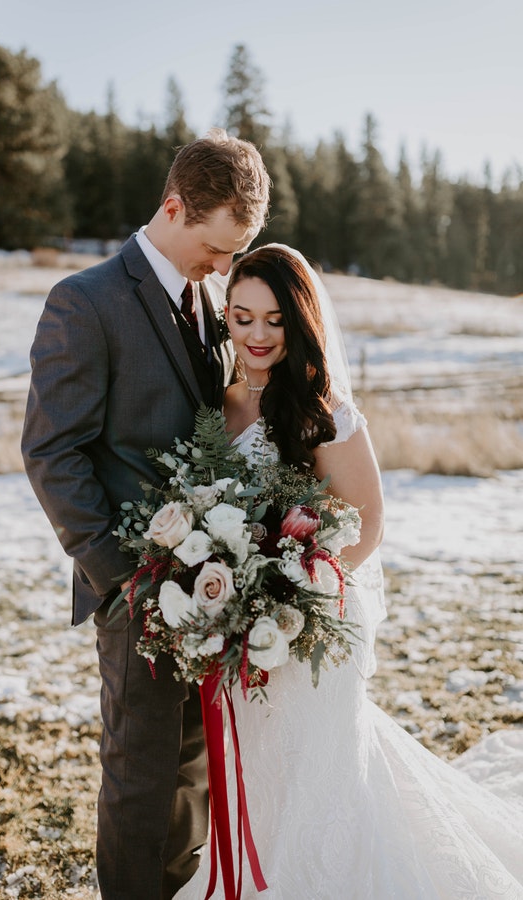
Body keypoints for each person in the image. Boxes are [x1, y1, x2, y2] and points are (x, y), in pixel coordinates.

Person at [175, 245, 523, 899]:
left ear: (299, 322)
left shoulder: (324, 410)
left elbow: (365, 523)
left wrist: (290, 595)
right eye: (241, 317)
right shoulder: (214, 411)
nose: (254, 335)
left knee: (321, 777)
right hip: (237, 633)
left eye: (273, 320)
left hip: (313, 629)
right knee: (264, 774)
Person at [21, 129, 271, 900]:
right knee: (140, 776)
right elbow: (51, 452)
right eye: (219, 249)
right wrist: (120, 576)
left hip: (209, 590)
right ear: (173, 207)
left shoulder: (205, 300)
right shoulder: (85, 301)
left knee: (192, 769)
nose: (227, 269)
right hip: (133, 591)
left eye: (238, 253)